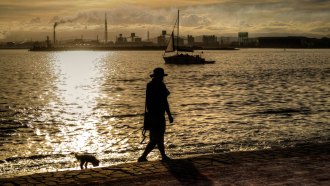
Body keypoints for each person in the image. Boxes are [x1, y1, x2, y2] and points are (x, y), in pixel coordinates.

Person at [138, 67, 174, 162]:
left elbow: (148, 102)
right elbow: (165, 102)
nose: (162, 78)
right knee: (157, 138)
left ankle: (161, 156)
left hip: (152, 115)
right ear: (160, 76)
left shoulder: (149, 85)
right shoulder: (161, 85)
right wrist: (169, 115)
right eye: (162, 76)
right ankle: (144, 157)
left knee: (156, 137)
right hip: (158, 115)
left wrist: (150, 115)